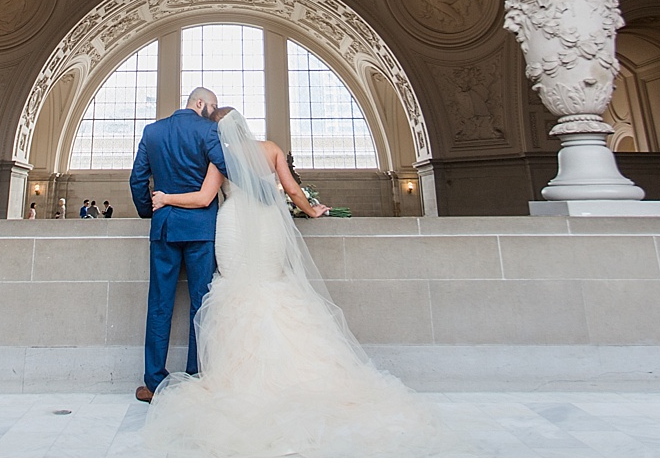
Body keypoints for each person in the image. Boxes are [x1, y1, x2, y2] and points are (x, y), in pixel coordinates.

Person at [139, 107, 441, 457]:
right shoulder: (271, 149)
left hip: (234, 226)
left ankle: (236, 374)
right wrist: (313, 210)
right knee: (272, 285)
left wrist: (164, 198)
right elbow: (293, 190)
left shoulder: (220, 156)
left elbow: (205, 199)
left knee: (236, 291)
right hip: (269, 227)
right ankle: (296, 371)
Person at [129, 86, 228, 404]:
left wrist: (151, 209)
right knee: (201, 304)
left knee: (159, 305)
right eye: (211, 106)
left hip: (165, 227)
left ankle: (154, 382)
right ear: (199, 103)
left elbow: (137, 179)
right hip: (201, 229)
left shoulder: (152, 131)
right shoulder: (209, 130)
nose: (213, 112)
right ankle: (196, 377)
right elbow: (227, 169)